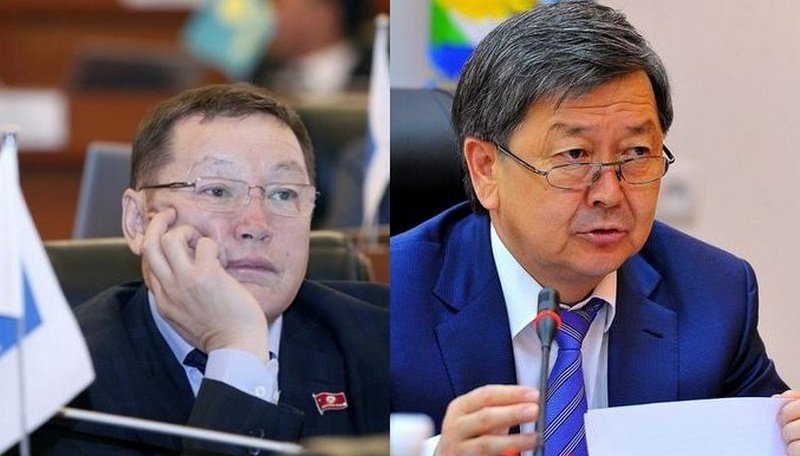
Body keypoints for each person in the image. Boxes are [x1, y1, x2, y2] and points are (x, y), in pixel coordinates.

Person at [390, 2, 800, 455]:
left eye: (636, 153)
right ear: (486, 168)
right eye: (574, 156)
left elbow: (767, 437)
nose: (609, 193)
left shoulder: (713, 297)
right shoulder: (392, 301)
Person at [32, 83, 388, 455]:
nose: (255, 225)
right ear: (138, 220)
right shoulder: (57, 383)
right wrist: (238, 348)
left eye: (283, 193)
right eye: (217, 191)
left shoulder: (384, 338)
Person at [250, 0, 371, 95]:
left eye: (277, 3)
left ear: (324, 10)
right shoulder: (255, 78)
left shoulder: (374, 80)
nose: (262, 15)